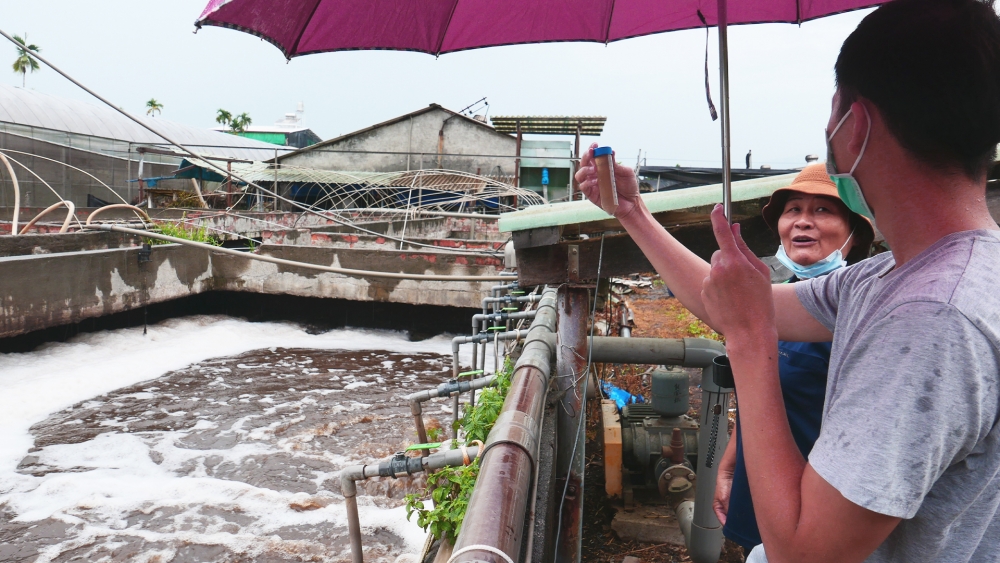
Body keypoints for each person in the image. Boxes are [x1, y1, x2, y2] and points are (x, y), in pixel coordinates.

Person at [577, 1, 1000, 561]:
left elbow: (803, 553)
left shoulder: (930, 316)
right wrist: (633, 212)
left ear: (856, 126)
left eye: (833, 112)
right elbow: (727, 301)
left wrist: (750, 342)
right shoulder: (893, 277)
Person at [712, 165, 875, 554]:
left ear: (854, 231)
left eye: (823, 211)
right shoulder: (779, 296)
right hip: (763, 489)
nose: (803, 221)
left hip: (817, 512)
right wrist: (732, 462)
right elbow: (766, 393)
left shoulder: (859, 312)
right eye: (793, 209)